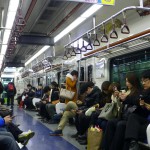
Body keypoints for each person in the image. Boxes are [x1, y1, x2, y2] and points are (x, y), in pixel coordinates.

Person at [104, 73, 141, 150]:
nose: (126, 83)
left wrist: (125, 98)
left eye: (128, 81)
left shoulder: (138, 92)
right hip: (124, 115)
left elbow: (135, 103)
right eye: (126, 81)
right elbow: (121, 106)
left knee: (120, 125)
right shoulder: (127, 91)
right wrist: (119, 98)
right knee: (111, 122)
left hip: (131, 118)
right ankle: (106, 147)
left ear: (133, 82)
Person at [124, 70, 150, 150]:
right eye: (142, 81)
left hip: (146, 119)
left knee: (127, 121)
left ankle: (133, 144)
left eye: (145, 81)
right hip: (144, 117)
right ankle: (133, 143)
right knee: (131, 118)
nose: (143, 83)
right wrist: (143, 106)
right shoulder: (144, 91)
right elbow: (137, 101)